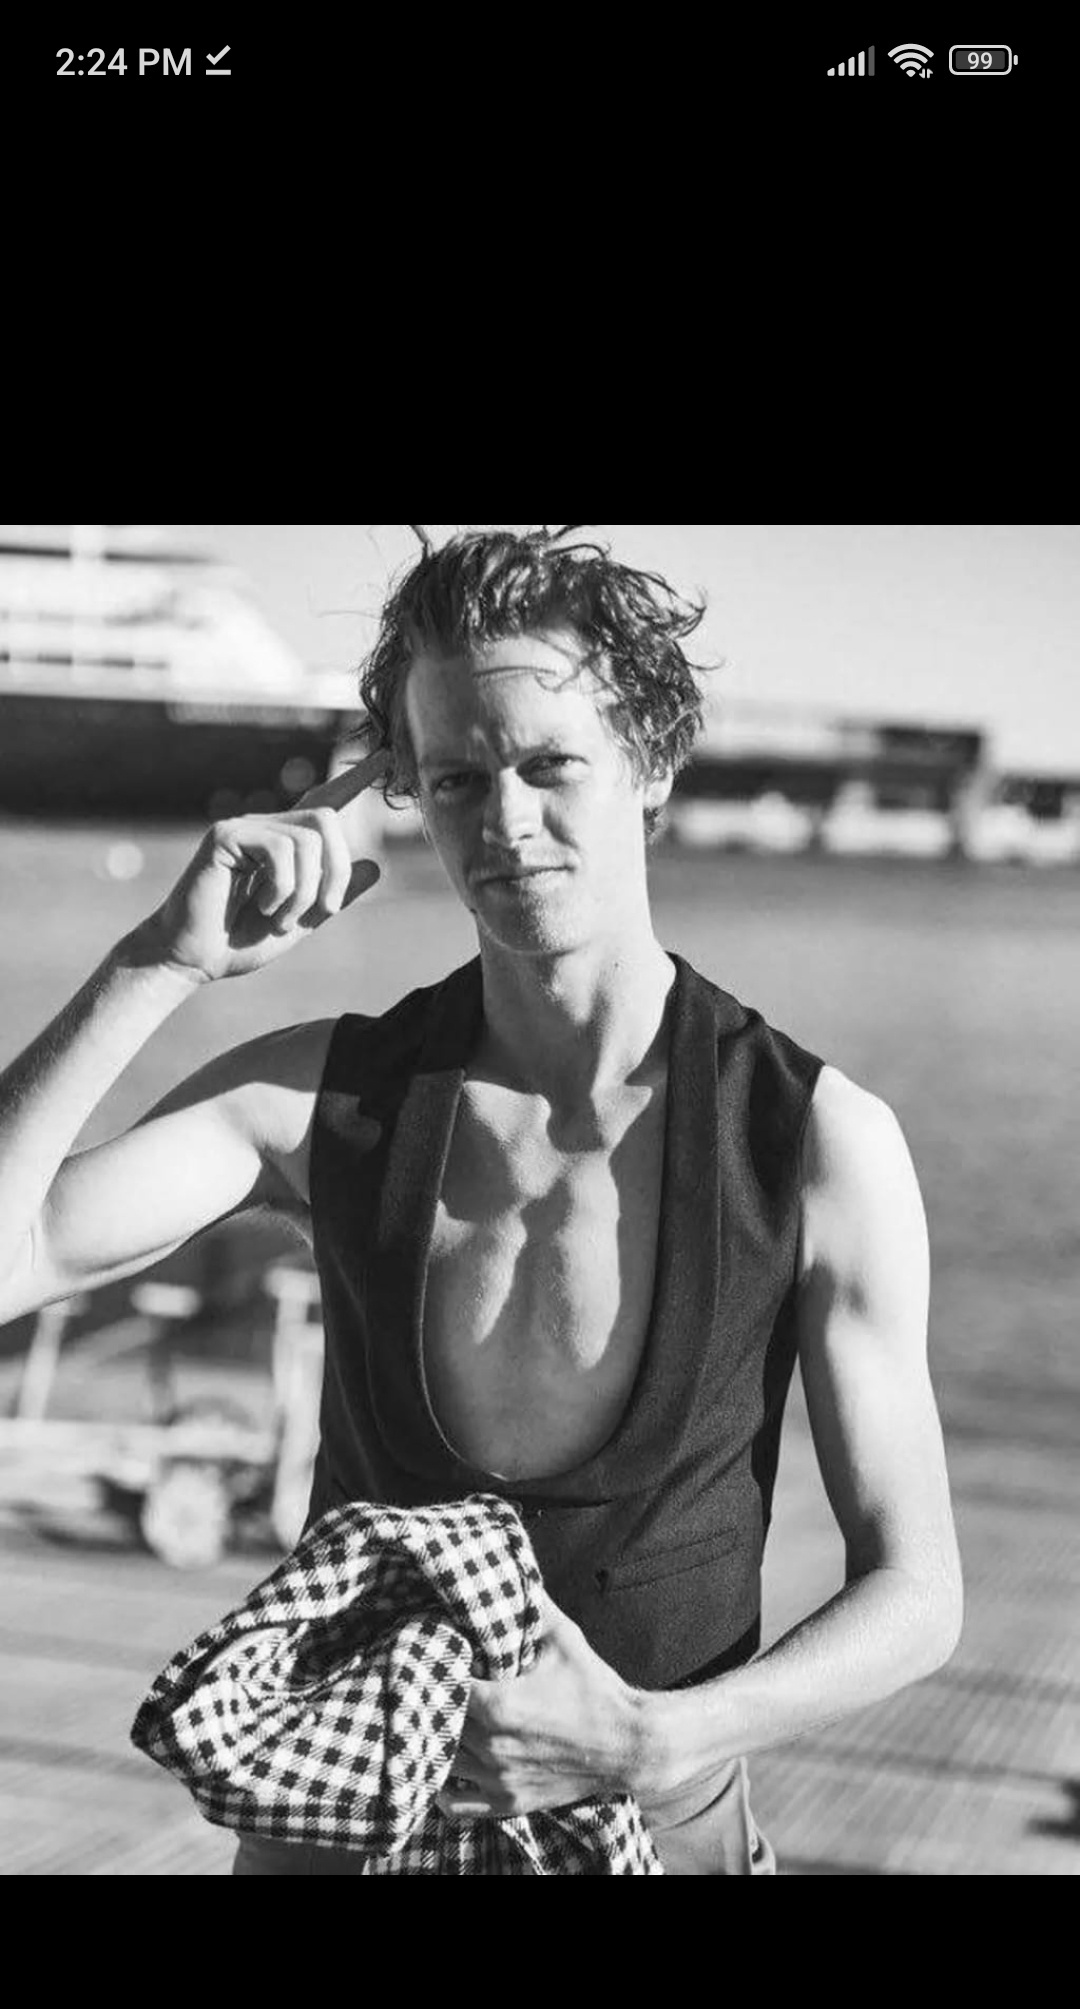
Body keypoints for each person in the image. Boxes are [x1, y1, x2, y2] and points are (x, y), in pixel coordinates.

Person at [0, 526, 964, 1876]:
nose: (503, 825)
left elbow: (917, 1590)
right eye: (455, 779)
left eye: (549, 765)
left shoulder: (809, 1141)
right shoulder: (320, 1098)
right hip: (336, 1836)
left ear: (652, 759)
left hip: (660, 1829)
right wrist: (156, 965)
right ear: (404, 788)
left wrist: (659, 1739)